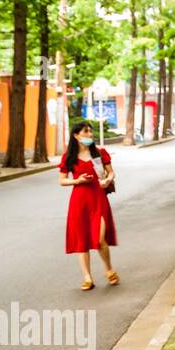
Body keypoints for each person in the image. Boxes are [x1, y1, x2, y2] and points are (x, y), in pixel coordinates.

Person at [58, 120, 119, 291]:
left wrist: (108, 179)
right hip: (79, 201)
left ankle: (108, 268)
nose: (89, 135)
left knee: (100, 239)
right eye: (85, 132)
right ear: (76, 135)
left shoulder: (99, 154)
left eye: (90, 132)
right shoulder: (68, 157)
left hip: (98, 198)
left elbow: (111, 172)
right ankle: (87, 277)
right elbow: (62, 180)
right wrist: (77, 180)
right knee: (81, 240)